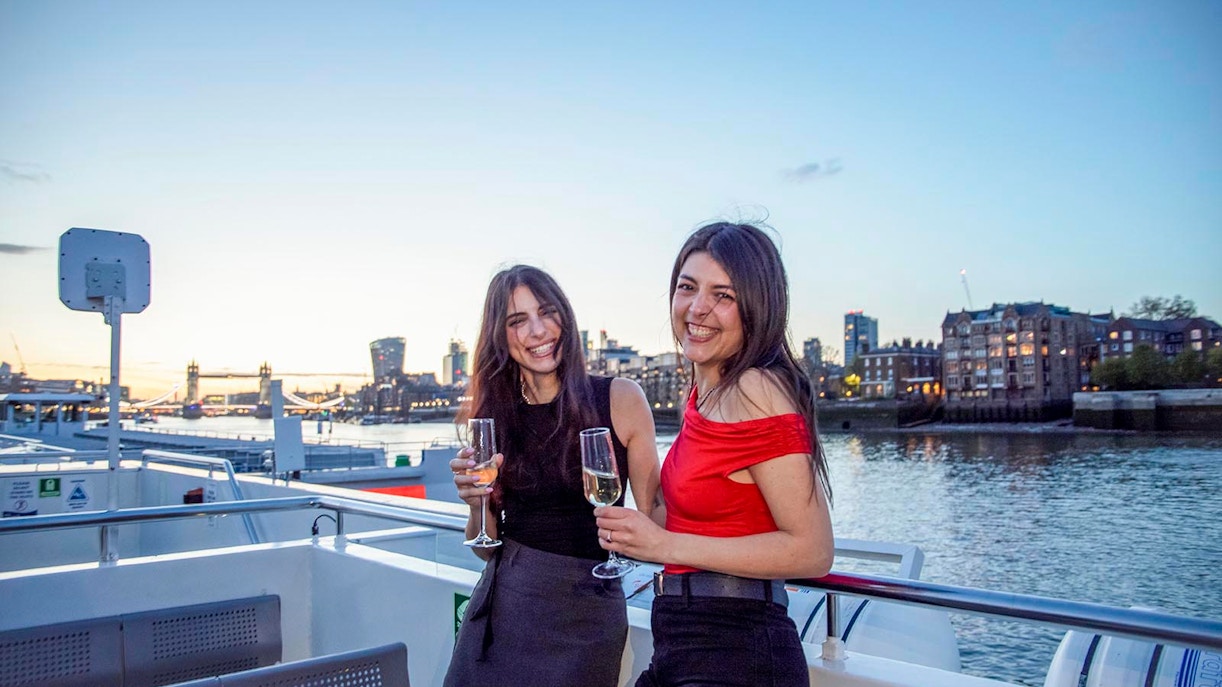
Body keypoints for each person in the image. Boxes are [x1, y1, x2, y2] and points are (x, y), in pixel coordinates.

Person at [595, 222, 835, 687]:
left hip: (736, 647)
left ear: (756, 307)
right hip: (683, 640)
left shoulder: (755, 388)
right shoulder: (705, 392)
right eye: (687, 287)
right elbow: (668, 520)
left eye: (722, 295)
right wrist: (634, 441)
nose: (697, 307)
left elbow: (813, 550)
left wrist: (664, 546)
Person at [443, 264, 661, 687]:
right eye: (518, 321)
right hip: (506, 604)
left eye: (547, 313)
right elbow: (486, 548)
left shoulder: (620, 398)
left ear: (566, 317)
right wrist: (475, 503)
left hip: (588, 609)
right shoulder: (495, 418)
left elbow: (656, 513)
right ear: (501, 337)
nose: (538, 331)